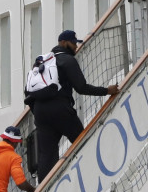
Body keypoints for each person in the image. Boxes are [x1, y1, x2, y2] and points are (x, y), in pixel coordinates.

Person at [24, 30, 120, 182]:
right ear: (63, 43)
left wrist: (38, 111)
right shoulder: (67, 60)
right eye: (73, 43)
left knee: (46, 155)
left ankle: (44, 190)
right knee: (82, 141)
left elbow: (28, 92)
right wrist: (107, 91)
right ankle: (93, 176)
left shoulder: (42, 63)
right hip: (61, 109)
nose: (76, 47)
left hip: (41, 112)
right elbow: (81, 87)